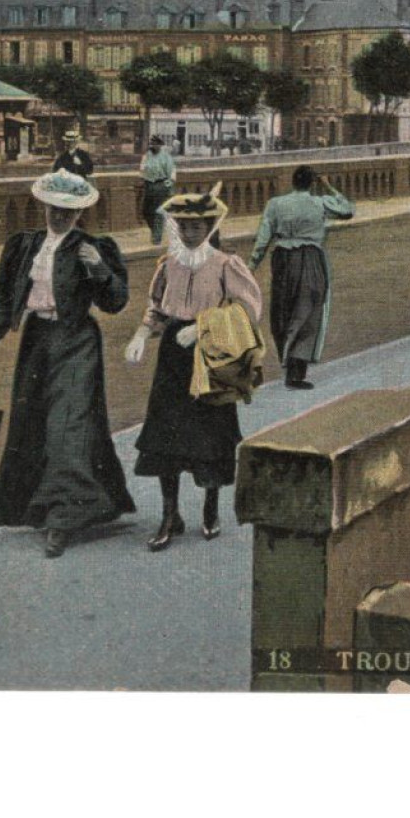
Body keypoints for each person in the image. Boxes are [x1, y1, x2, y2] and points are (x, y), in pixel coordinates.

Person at [0, 170, 135, 558]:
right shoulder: (24, 247)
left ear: (80, 212)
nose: (60, 216)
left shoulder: (92, 247)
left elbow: (116, 301)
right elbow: (1, 299)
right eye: (55, 208)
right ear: (44, 205)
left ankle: (63, 519)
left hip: (77, 340)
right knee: (35, 425)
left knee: (68, 425)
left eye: (70, 211)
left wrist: (99, 268)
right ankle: (58, 506)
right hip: (37, 341)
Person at [124, 187, 263, 551]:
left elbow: (249, 311)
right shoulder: (168, 265)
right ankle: (170, 516)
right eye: (182, 227)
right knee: (165, 436)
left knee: (210, 436)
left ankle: (211, 507)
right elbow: (156, 307)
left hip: (211, 355)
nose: (188, 234)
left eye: (196, 227)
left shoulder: (225, 265)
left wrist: (202, 326)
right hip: (172, 355)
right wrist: (142, 333)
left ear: (210, 227)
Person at [249, 165, 355, 390]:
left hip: (282, 258)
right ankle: (296, 371)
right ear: (312, 184)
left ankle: (286, 362)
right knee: (308, 311)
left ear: (293, 182)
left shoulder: (276, 204)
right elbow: (347, 209)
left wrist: (252, 265)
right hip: (310, 258)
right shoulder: (319, 202)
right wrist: (328, 186)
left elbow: (263, 236)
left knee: (283, 309)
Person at [138, 135, 176, 245]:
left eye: (155, 144)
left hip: (161, 185)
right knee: (146, 212)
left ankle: (157, 237)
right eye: (151, 144)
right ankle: (155, 230)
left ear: (160, 145)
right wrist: (142, 179)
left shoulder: (166, 157)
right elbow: (142, 169)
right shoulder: (147, 156)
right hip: (149, 185)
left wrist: (166, 186)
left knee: (159, 212)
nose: (153, 146)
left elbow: (172, 173)